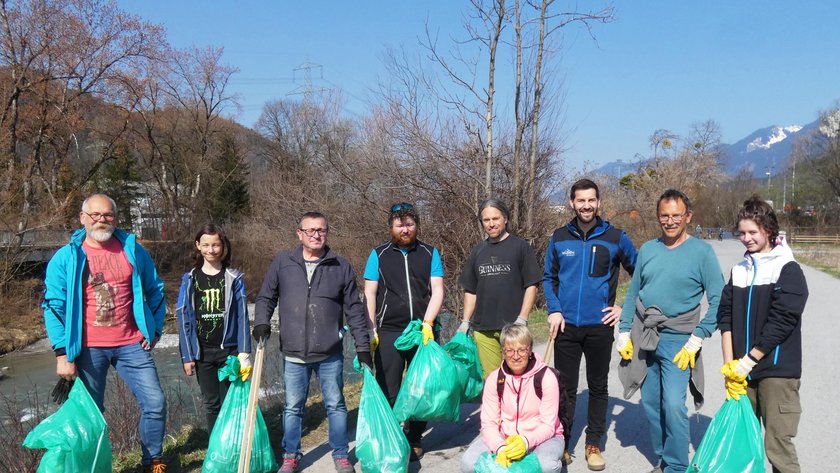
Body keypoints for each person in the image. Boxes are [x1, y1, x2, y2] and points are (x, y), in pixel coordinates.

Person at [42, 194, 167, 473]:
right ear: (83, 218)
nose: (102, 220)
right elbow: (53, 306)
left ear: (116, 218)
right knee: (90, 416)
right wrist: (62, 353)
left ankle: (153, 461)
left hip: (132, 343)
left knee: (155, 403)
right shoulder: (67, 258)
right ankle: (95, 467)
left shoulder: (133, 251)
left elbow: (156, 290)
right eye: (95, 215)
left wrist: (155, 329)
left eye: (108, 215)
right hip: (87, 349)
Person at [252, 212, 371, 473]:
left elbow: (354, 310)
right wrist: (261, 321)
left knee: (336, 404)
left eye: (321, 230)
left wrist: (363, 348)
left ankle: (340, 454)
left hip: (330, 353)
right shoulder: (283, 263)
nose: (316, 235)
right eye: (311, 230)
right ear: (299, 233)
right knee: (293, 407)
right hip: (294, 353)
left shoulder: (340, 266)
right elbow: (265, 297)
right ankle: (290, 455)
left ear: (327, 233)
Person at [616, 189, 724, 473]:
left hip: (680, 342)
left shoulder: (702, 253)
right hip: (645, 335)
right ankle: (664, 457)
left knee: (674, 405)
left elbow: (719, 300)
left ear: (688, 216)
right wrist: (624, 330)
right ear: (658, 217)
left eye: (676, 215)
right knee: (651, 402)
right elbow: (633, 293)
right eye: (665, 215)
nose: (670, 221)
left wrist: (698, 336)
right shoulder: (649, 250)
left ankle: (676, 467)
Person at [543, 178, 637, 471]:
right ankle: (564, 442)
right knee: (565, 387)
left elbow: (642, 275)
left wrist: (624, 308)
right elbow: (549, 278)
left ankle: (593, 443)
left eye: (591, 200)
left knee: (597, 386)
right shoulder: (559, 237)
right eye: (580, 200)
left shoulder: (616, 237)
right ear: (572, 202)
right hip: (566, 327)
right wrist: (555, 310)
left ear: (598, 202)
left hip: (599, 327)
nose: (586, 205)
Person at [718, 196, 808, 473]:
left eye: (752, 232)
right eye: (742, 233)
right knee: (743, 445)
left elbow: (781, 321)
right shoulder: (739, 270)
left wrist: (749, 360)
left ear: (768, 230)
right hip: (743, 373)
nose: (746, 238)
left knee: (777, 445)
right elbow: (725, 316)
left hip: (776, 372)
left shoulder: (787, 269)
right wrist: (731, 365)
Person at [363, 202, 444, 461]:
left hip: (423, 329)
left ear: (416, 225)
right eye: (400, 225)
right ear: (391, 227)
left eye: (410, 223)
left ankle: (414, 437)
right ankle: (391, 436)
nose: (405, 229)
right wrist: (371, 328)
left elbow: (438, 290)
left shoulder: (430, 253)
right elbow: (370, 293)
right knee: (390, 386)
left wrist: (429, 323)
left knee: (422, 386)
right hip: (389, 329)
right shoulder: (379, 254)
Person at [175, 223, 251, 433]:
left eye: (216, 245)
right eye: (206, 245)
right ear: (198, 246)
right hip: (202, 354)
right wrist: (187, 356)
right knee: (211, 404)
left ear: (223, 246)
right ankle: (215, 448)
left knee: (230, 402)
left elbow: (242, 315)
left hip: (229, 352)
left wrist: (244, 352)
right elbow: (182, 316)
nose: (211, 250)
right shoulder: (190, 279)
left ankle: (232, 444)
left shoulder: (234, 278)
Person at [460, 324, 565, 473]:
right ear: (503, 350)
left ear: (529, 350)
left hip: (544, 437)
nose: (515, 356)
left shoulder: (546, 377)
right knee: (468, 463)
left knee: (546, 466)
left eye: (521, 349)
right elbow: (488, 423)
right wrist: (500, 447)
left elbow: (548, 426)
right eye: (510, 350)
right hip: (505, 436)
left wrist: (525, 441)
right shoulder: (494, 379)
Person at [457, 198, 542, 378]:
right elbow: (471, 290)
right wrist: (465, 321)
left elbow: (531, 285)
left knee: (517, 376)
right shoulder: (477, 251)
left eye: (495, 219)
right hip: (483, 329)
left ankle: (517, 407)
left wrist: (522, 318)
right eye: (486, 220)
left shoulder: (520, 247)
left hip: (514, 327)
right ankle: (496, 408)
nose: (491, 224)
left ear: (505, 219)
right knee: (493, 379)